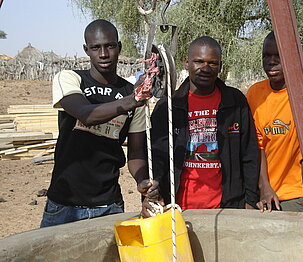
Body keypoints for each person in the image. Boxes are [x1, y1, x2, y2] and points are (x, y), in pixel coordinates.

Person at [40, 19, 150, 227]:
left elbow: (136, 154)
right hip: (64, 204)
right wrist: (133, 100)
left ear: (119, 47)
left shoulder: (133, 95)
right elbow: (85, 115)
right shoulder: (70, 79)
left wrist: (142, 180)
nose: (103, 54)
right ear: (86, 50)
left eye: (109, 46)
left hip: (109, 206)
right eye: (96, 48)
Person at [141, 36, 260, 216]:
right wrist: (154, 193)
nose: (205, 68)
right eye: (199, 61)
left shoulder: (235, 102)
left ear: (220, 66)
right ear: (186, 63)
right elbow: (156, 156)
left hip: (227, 207)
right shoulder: (169, 106)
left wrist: (250, 200)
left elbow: (249, 153)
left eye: (212, 63)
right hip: (179, 207)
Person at [246, 32, 303, 213]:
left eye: (278, 56)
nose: (271, 61)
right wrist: (264, 187)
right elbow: (258, 145)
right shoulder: (255, 94)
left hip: (297, 194)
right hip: (264, 193)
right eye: (266, 56)